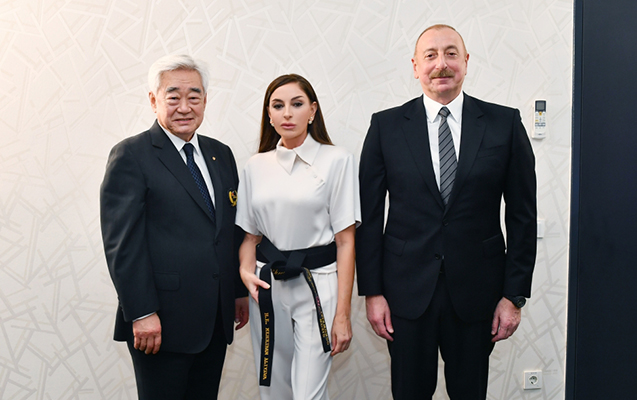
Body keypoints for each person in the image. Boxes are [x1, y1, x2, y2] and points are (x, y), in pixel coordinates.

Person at [356, 24, 537, 399]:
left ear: (466, 62)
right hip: (405, 292)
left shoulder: (504, 124)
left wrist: (514, 296)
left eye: (451, 53)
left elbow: (523, 217)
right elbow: (369, 218)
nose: (441, 64)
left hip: (479, 293)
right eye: (431, 55)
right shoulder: (386, 126)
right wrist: (372, 293)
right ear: (415, 66)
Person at [100, 54, 248, 400]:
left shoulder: (220, 154)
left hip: (214, 319)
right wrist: (142, 312)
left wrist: (236, 292)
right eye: (173, 96)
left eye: (194, 96)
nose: (184, 107)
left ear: (205, 100)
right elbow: (123, 245)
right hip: (160, 323)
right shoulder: (132, 155)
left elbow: (229, 230)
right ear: (154, 100)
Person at [236, 74, 361, 400]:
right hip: (266, 286)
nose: (287, 113)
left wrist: (343, 315)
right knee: (273, 390)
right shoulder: (254, 166)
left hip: (318, 284)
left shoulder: (338, 160)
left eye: (297, 104)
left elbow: (346, 242)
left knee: (308, 393)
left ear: (313, 111)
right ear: (269, 115)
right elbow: (249, 238)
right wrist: (245, 272)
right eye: (278, 106)